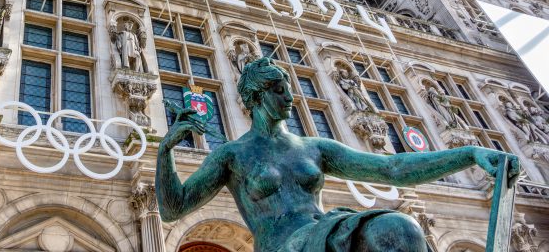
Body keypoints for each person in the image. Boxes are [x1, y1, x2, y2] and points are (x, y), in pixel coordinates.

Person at [156, 57, 519, 252]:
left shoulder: (313, 147)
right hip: (284, 246)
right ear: (256, 96)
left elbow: (393, 168)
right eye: (280, 91)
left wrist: (469, 154)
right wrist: (166, 151)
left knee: (399, 227)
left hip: (322, 231)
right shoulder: (232, 156)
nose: (290, 98)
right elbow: (174, 207)